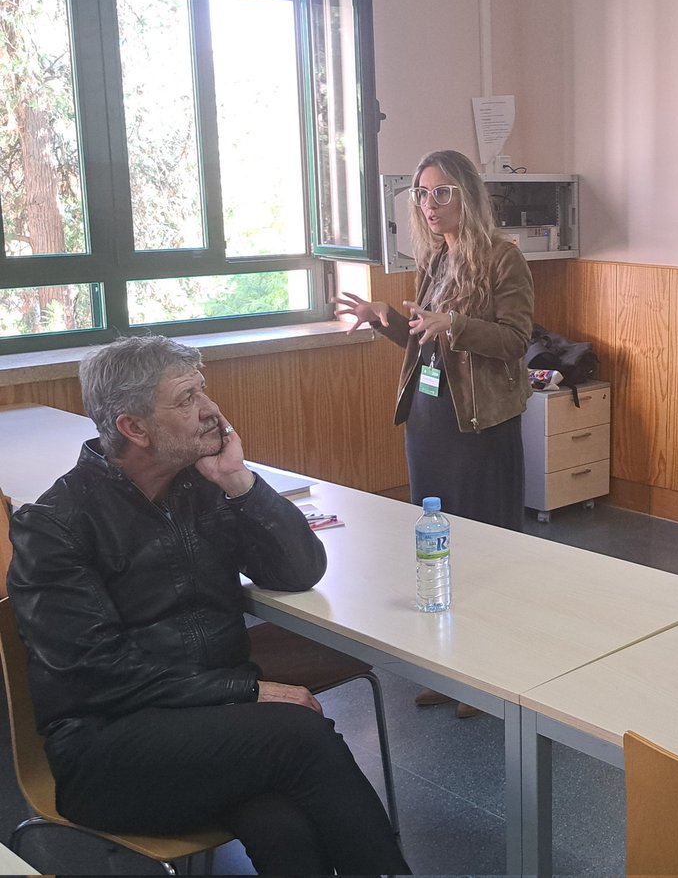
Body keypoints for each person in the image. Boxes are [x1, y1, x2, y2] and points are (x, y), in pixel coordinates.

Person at [6, 335, 410, 876]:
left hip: (210, 724)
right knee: (301, 735)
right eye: (187, 398)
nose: (211, 409)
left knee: (284, 826)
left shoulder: (201, 487)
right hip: (107, 747)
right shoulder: (56, 525)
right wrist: (246, 691)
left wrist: (239, 481)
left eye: (203, 390)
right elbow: (98, 674)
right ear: (134, 428)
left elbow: (298, 570)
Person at [337, 149, 535, 718]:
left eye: (442, 192)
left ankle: (491, 678)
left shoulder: (502, 258)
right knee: (437, 547)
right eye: (422, 193)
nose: (430, 204)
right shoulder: (434, 258)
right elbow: (423, 338)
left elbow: (517, 340)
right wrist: (386, 319)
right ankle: (451, 672)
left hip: (480, 422)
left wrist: (457, 325)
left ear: (468, 195)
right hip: (430, 419)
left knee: (484, 548)